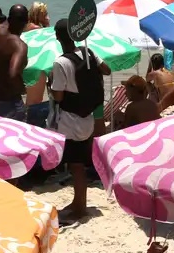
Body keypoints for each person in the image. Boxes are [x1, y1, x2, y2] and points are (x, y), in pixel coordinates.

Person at [49, 18, 110, 224]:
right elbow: (107, 69)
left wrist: (51, 82)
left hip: (70, 120)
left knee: (75, 166)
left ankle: (80, 206)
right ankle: (78, 202)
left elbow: (58, 97)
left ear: (57, 37)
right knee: (80, 164)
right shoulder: (89, 52)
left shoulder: (61, 62)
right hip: (88, 117)